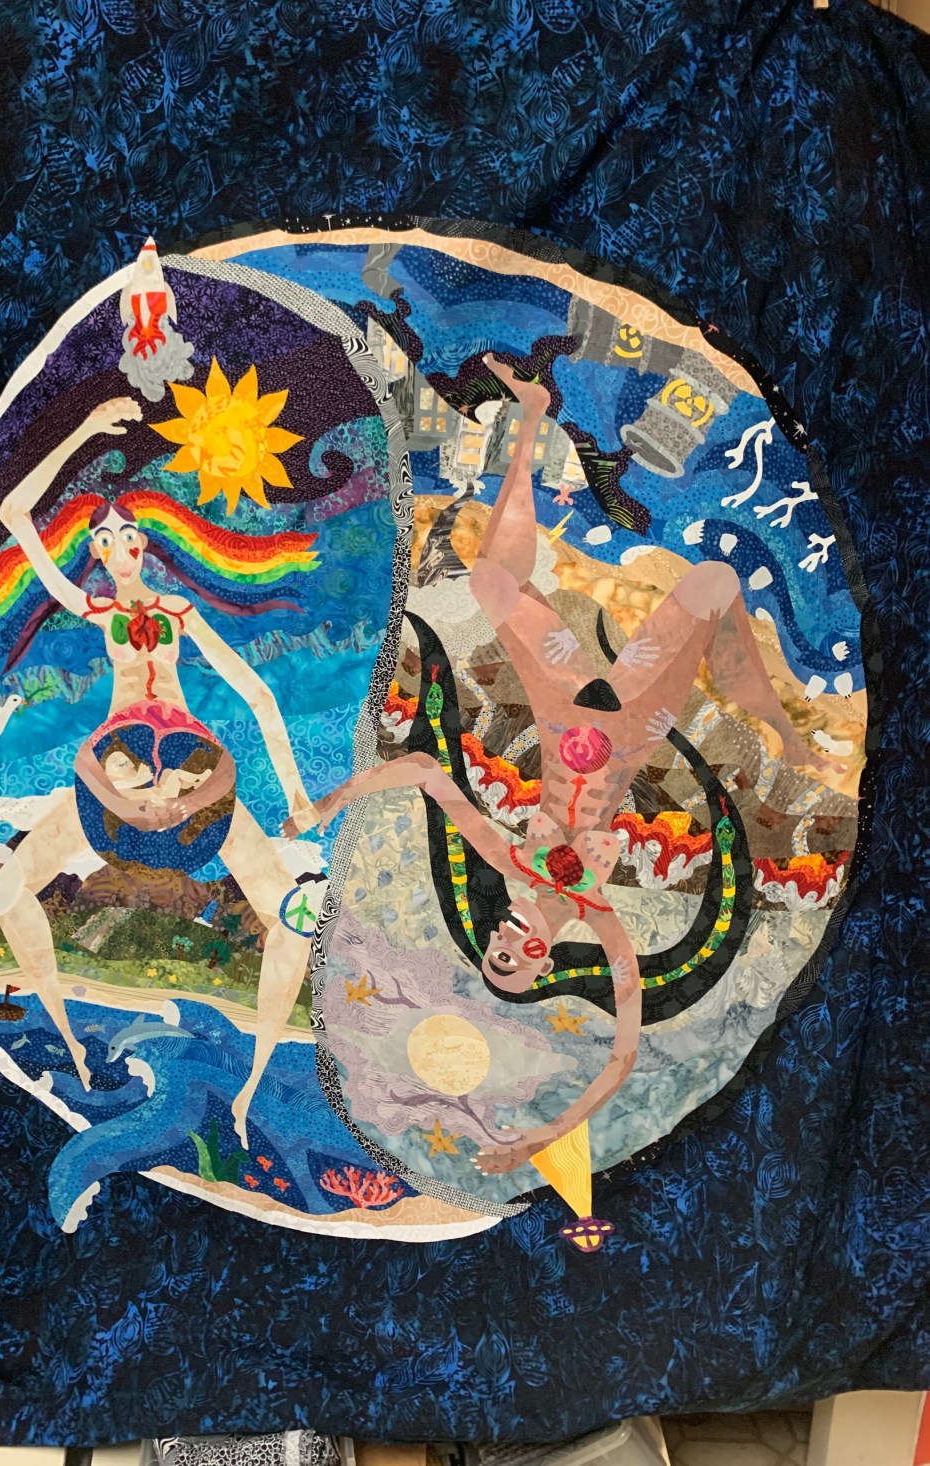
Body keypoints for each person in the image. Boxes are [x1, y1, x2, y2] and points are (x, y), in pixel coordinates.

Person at [287, 356, 823, 1176]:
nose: (501, 940)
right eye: (509, 958)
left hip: (566, 703)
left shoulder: (511, 862)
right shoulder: (598, 919)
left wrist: (331, 805)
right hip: (632, 722)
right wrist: (543, 1139)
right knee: (713, 585)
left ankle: (533, 412)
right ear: (540, 963)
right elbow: (620, 1056)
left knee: (494, 579)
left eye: (490, 948)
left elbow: (428, 774)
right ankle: (784, 725)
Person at [0, 396, 318, 1144]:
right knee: (8, 888)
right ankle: (70, 1044)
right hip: (115, 771)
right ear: (97, 552)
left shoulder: (179, 612)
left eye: (129, 534)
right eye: (105, 538)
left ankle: (252, 1088)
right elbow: (13, 513)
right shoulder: (97, 611)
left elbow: (259, 694)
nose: (120, 545)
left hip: (194, 772)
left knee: (292, 917)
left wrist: (299, 796)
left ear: (146, 544)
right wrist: (82, 428)